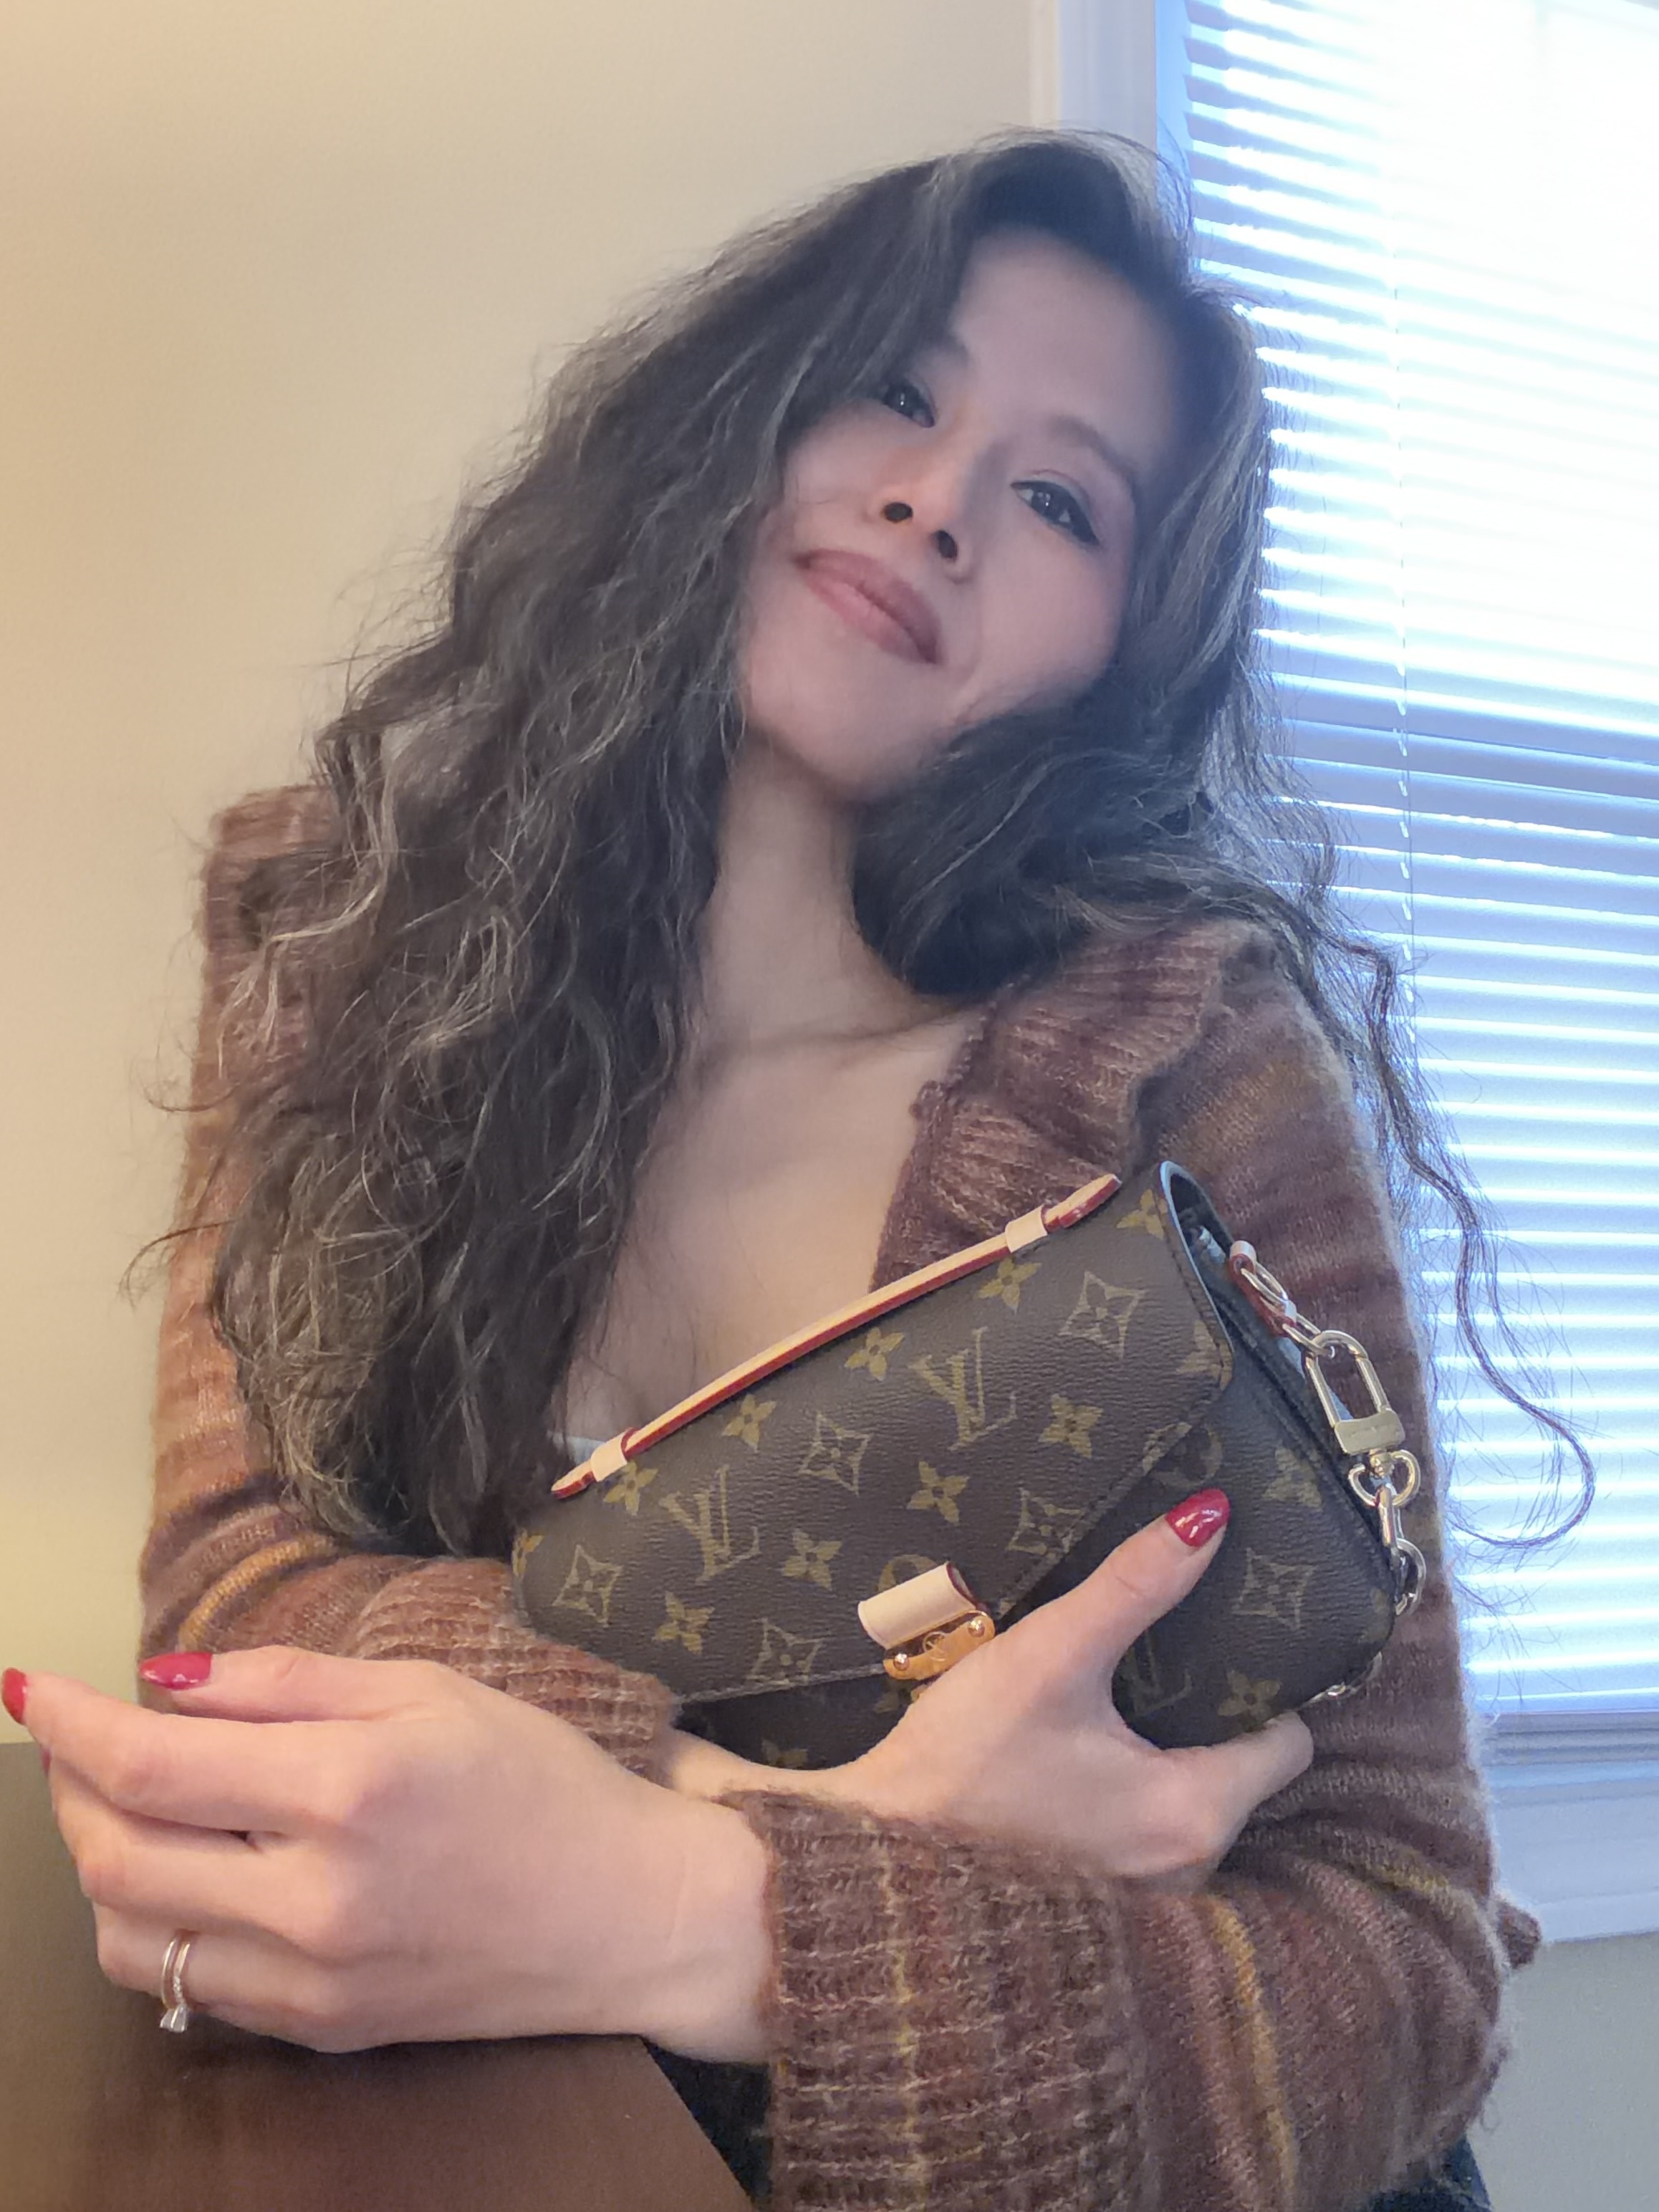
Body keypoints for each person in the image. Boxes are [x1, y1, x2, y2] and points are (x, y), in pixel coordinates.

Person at [6, 135, 1545, 2210]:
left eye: (1064, 501)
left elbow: (1405, 1946)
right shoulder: (334, 945)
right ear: (738, 406)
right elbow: (234, 1605)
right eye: (896, 389)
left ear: (1124, 651)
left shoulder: (1192, 1059)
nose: (939, 501)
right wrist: (812, 1800)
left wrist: (695, 1906)